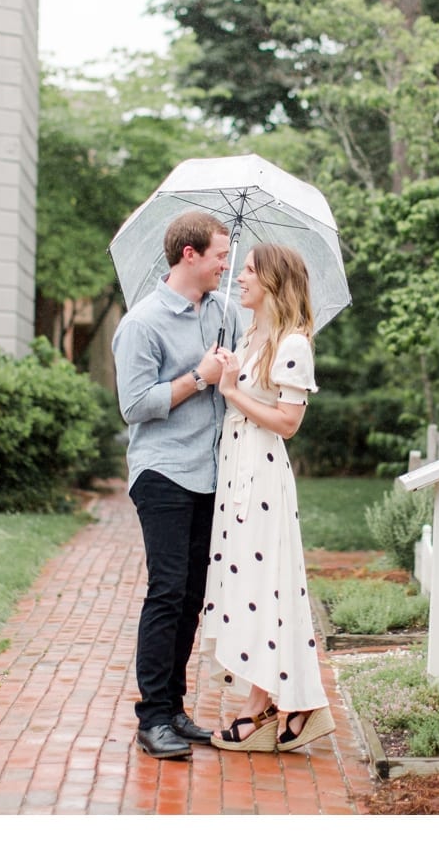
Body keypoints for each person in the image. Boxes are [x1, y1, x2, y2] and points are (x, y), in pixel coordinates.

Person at [200, 242, 336, 754]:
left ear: (274, 282)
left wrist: (232, 391)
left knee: (266, 585)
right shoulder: (253, 333)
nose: (240, 278)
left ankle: (264, 703)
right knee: (248, 585)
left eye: (250, 271)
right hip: (237, 469)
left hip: (262, 473)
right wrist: (227, 370)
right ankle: (282, 700)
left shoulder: (294, 344)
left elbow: (288, 422)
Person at [111, 210, 236, 760]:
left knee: (191, 597)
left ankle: (175, 708)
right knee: (166, 591)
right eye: (218, 256)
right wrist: (197, 379)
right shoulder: (141, 323)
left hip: (212, 473)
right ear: (190, 254)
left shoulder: (224, 313)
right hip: (163, 472)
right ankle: (151, 719)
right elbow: (135, 406)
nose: (225, 265)